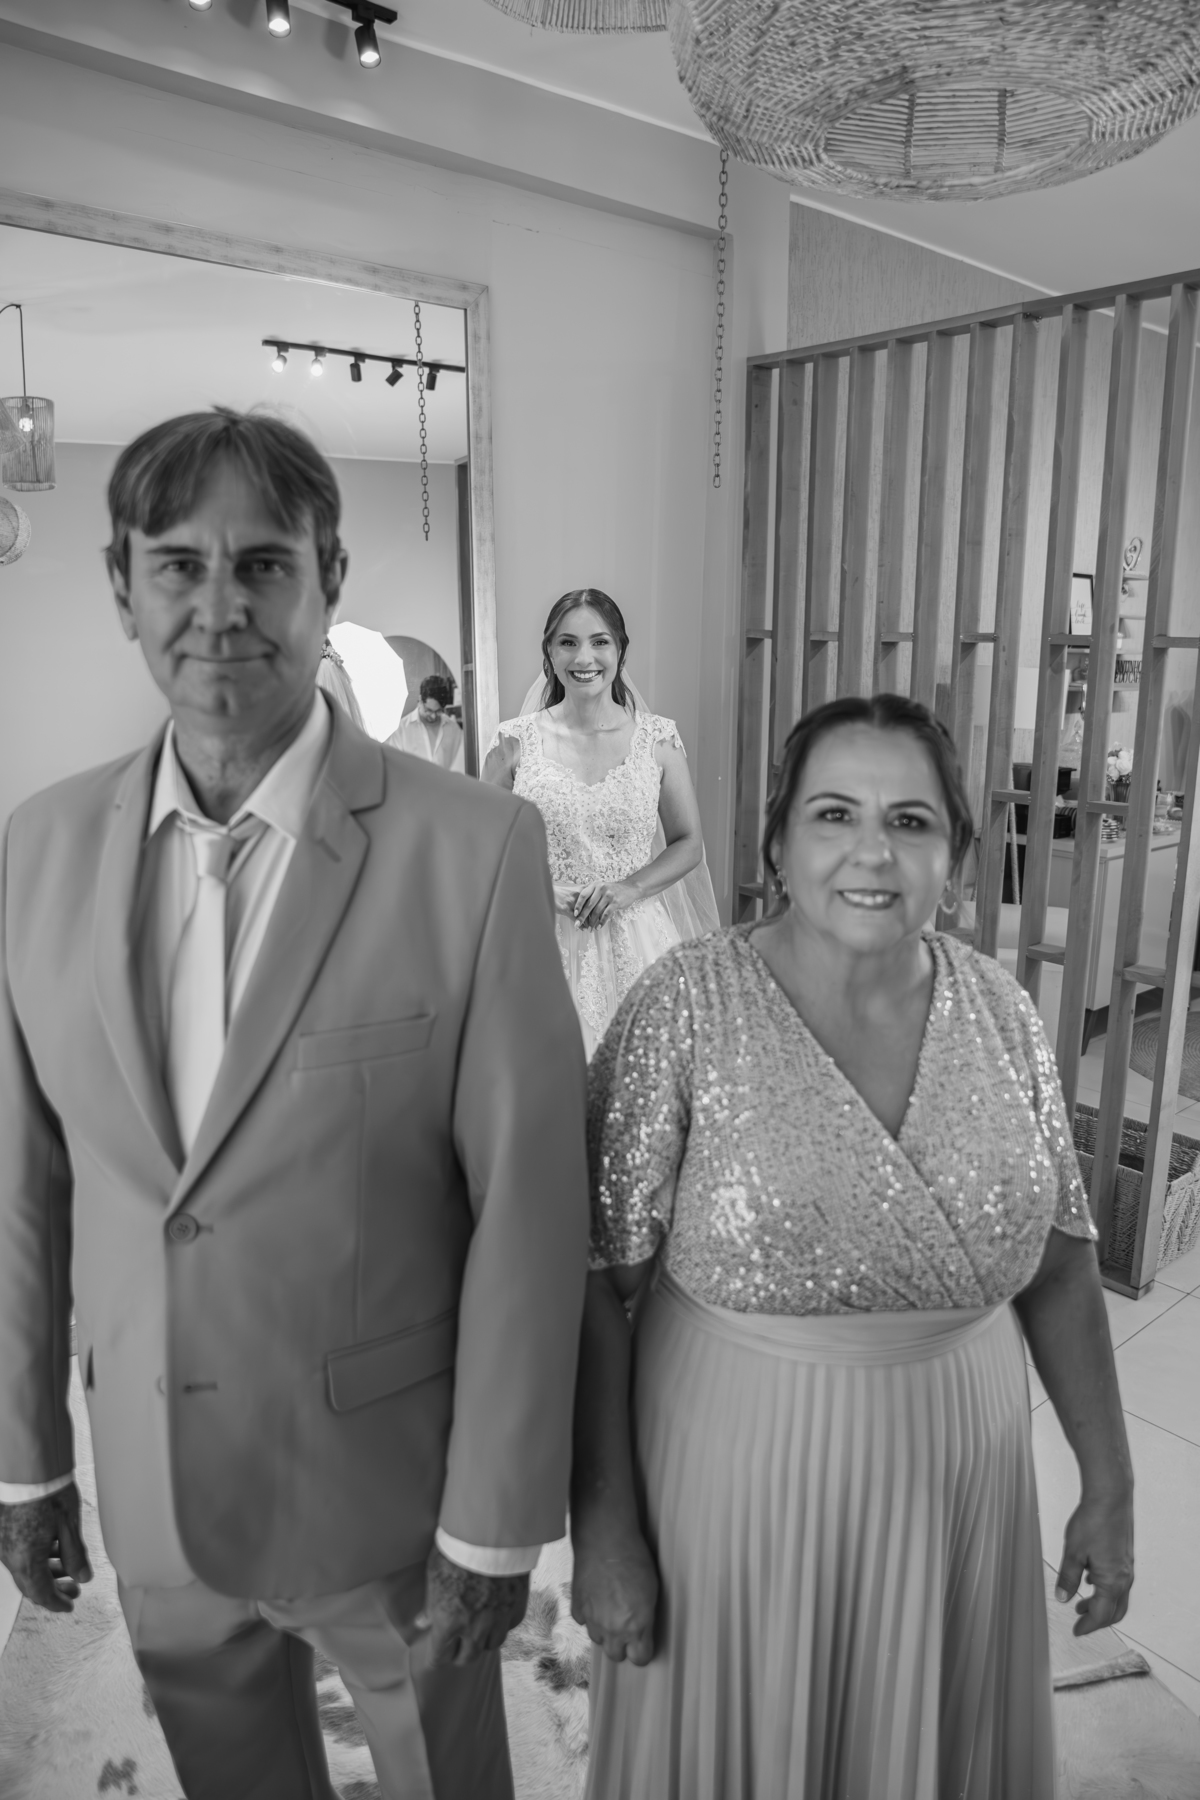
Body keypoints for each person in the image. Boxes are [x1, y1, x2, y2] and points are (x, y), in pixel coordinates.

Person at [0, 408, 589, 1800]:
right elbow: (23, 1190)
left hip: (391, 1498)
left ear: (328, 582)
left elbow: (528, 1201)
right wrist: (26, 1464)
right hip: (155, 1487)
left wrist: (496, 1519)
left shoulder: (474, 848)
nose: (221, 608)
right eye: (177, 565)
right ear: (123, 587)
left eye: (264, 563)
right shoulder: (37, 848)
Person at [572, 692, 1134, 1800]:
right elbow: (593, 1278)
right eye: (834, 814)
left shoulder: (1002, 1013)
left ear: (957, 859)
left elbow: (1063, 1261)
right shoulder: (683, 1007)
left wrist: (1108, 1481)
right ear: (778, 845)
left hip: (963, 1480)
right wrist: (604, 1527)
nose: (872, 852)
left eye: (910, 822)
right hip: (733, 1490)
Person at [483, 590, 718, 1056]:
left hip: (638, 941)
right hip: (539, 937)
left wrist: (629, 888)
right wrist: (542, 890)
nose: (584, 658)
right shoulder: (513, 741)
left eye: (600, 642)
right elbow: (479, 849)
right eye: (567, 643)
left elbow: (689, 842)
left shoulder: (658, 739)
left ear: (620, 650)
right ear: (549, 653)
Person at [388, 673, 465, 772]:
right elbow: (392, 767)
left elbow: (460, 768)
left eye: (438, 711)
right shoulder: (401, 730)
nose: (433, 716)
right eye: (429, 710)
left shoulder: (453, 729)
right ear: (420, 700)